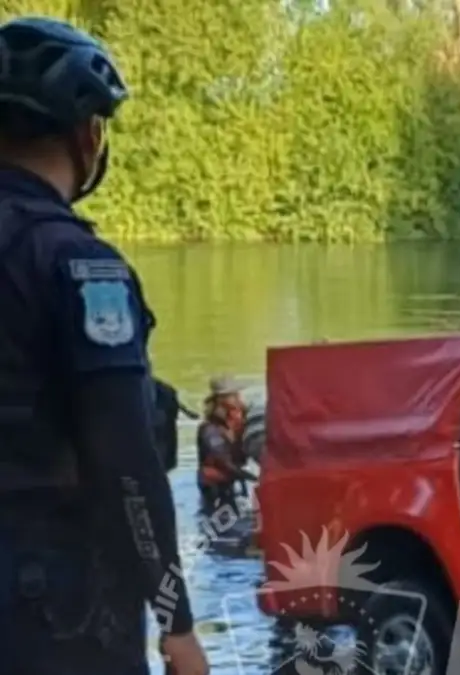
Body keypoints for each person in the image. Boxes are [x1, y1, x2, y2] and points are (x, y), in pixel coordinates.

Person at [0, 17, 207, 675]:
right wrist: (177, 624)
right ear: (88, 135)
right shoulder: (80, 268)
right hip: (57, 608)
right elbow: (126, 463)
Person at [197, 375, 257, 516]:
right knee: (219, 516)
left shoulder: (239, 419)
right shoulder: (210, 430)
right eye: (233, 395)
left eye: (237, 394)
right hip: (216, 485)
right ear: (221, 399)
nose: (238, 398)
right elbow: (224, 463)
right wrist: (255, 478)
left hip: (235, 478)